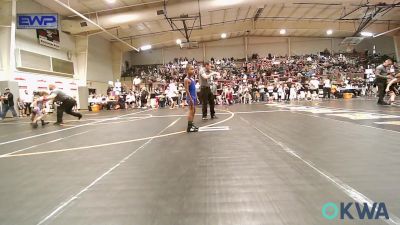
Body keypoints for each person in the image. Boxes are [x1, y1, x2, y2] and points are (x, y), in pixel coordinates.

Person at [184, 65, 199, 132]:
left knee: (194, 111)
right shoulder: (186, 79)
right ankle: (189, 127)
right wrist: (190, 99)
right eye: (191, 69)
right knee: (191, 111)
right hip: (190, 97)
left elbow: (194, 89)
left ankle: (191, 124)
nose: (193, 70)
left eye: (193, 69)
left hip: (194, 96)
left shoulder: (192, 79)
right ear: (187, 71)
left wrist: (197, 98)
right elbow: (187, 90)